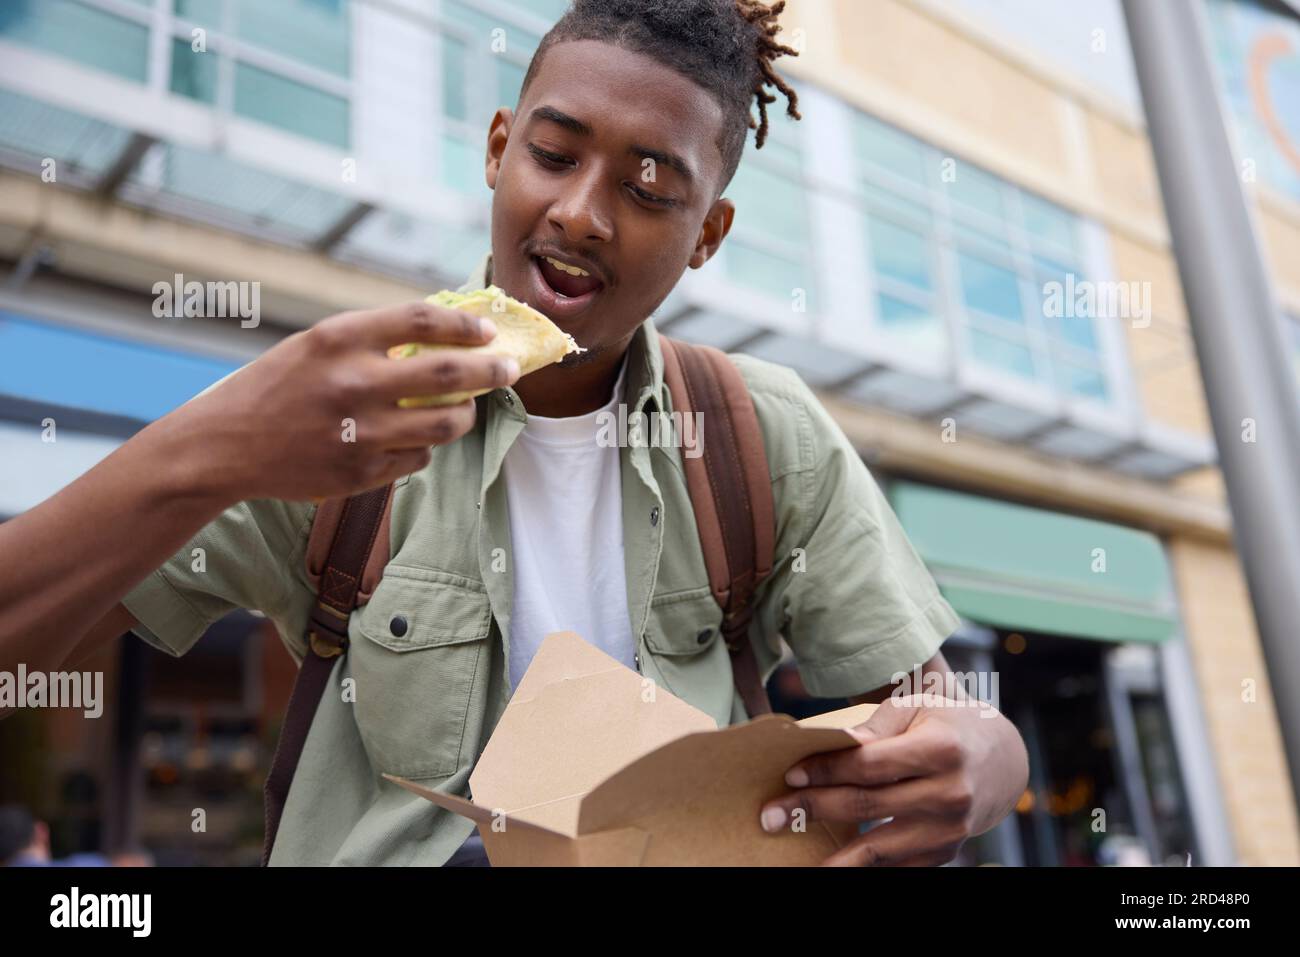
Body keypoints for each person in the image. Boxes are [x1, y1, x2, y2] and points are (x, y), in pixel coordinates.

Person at [0, 0, 1028, 866]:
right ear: (498, 150)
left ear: (707, 234)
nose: (581, 213)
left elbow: (941, 711)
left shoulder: (761, 432)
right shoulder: (351, 412)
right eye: (552, 154)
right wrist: (213, 444)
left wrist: (984, 761)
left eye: (649, 187)